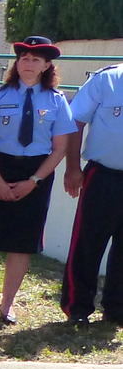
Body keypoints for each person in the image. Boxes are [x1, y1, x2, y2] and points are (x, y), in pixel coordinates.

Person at [0, 36, 75, 324]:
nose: (29, 62)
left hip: (35, 174)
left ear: (47, 65)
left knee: (21, 244)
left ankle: (7, 305)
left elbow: (60, 147)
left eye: (36, 59)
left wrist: (34, 180)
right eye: (24, 57)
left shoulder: (57, 101)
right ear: (17, 62)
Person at [61, 62, 123, 324]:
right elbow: (75, 121)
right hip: (103, 175)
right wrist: (72, 168)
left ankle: (117, 309)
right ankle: (77, 306)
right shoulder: (107, 79)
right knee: (88, 242)